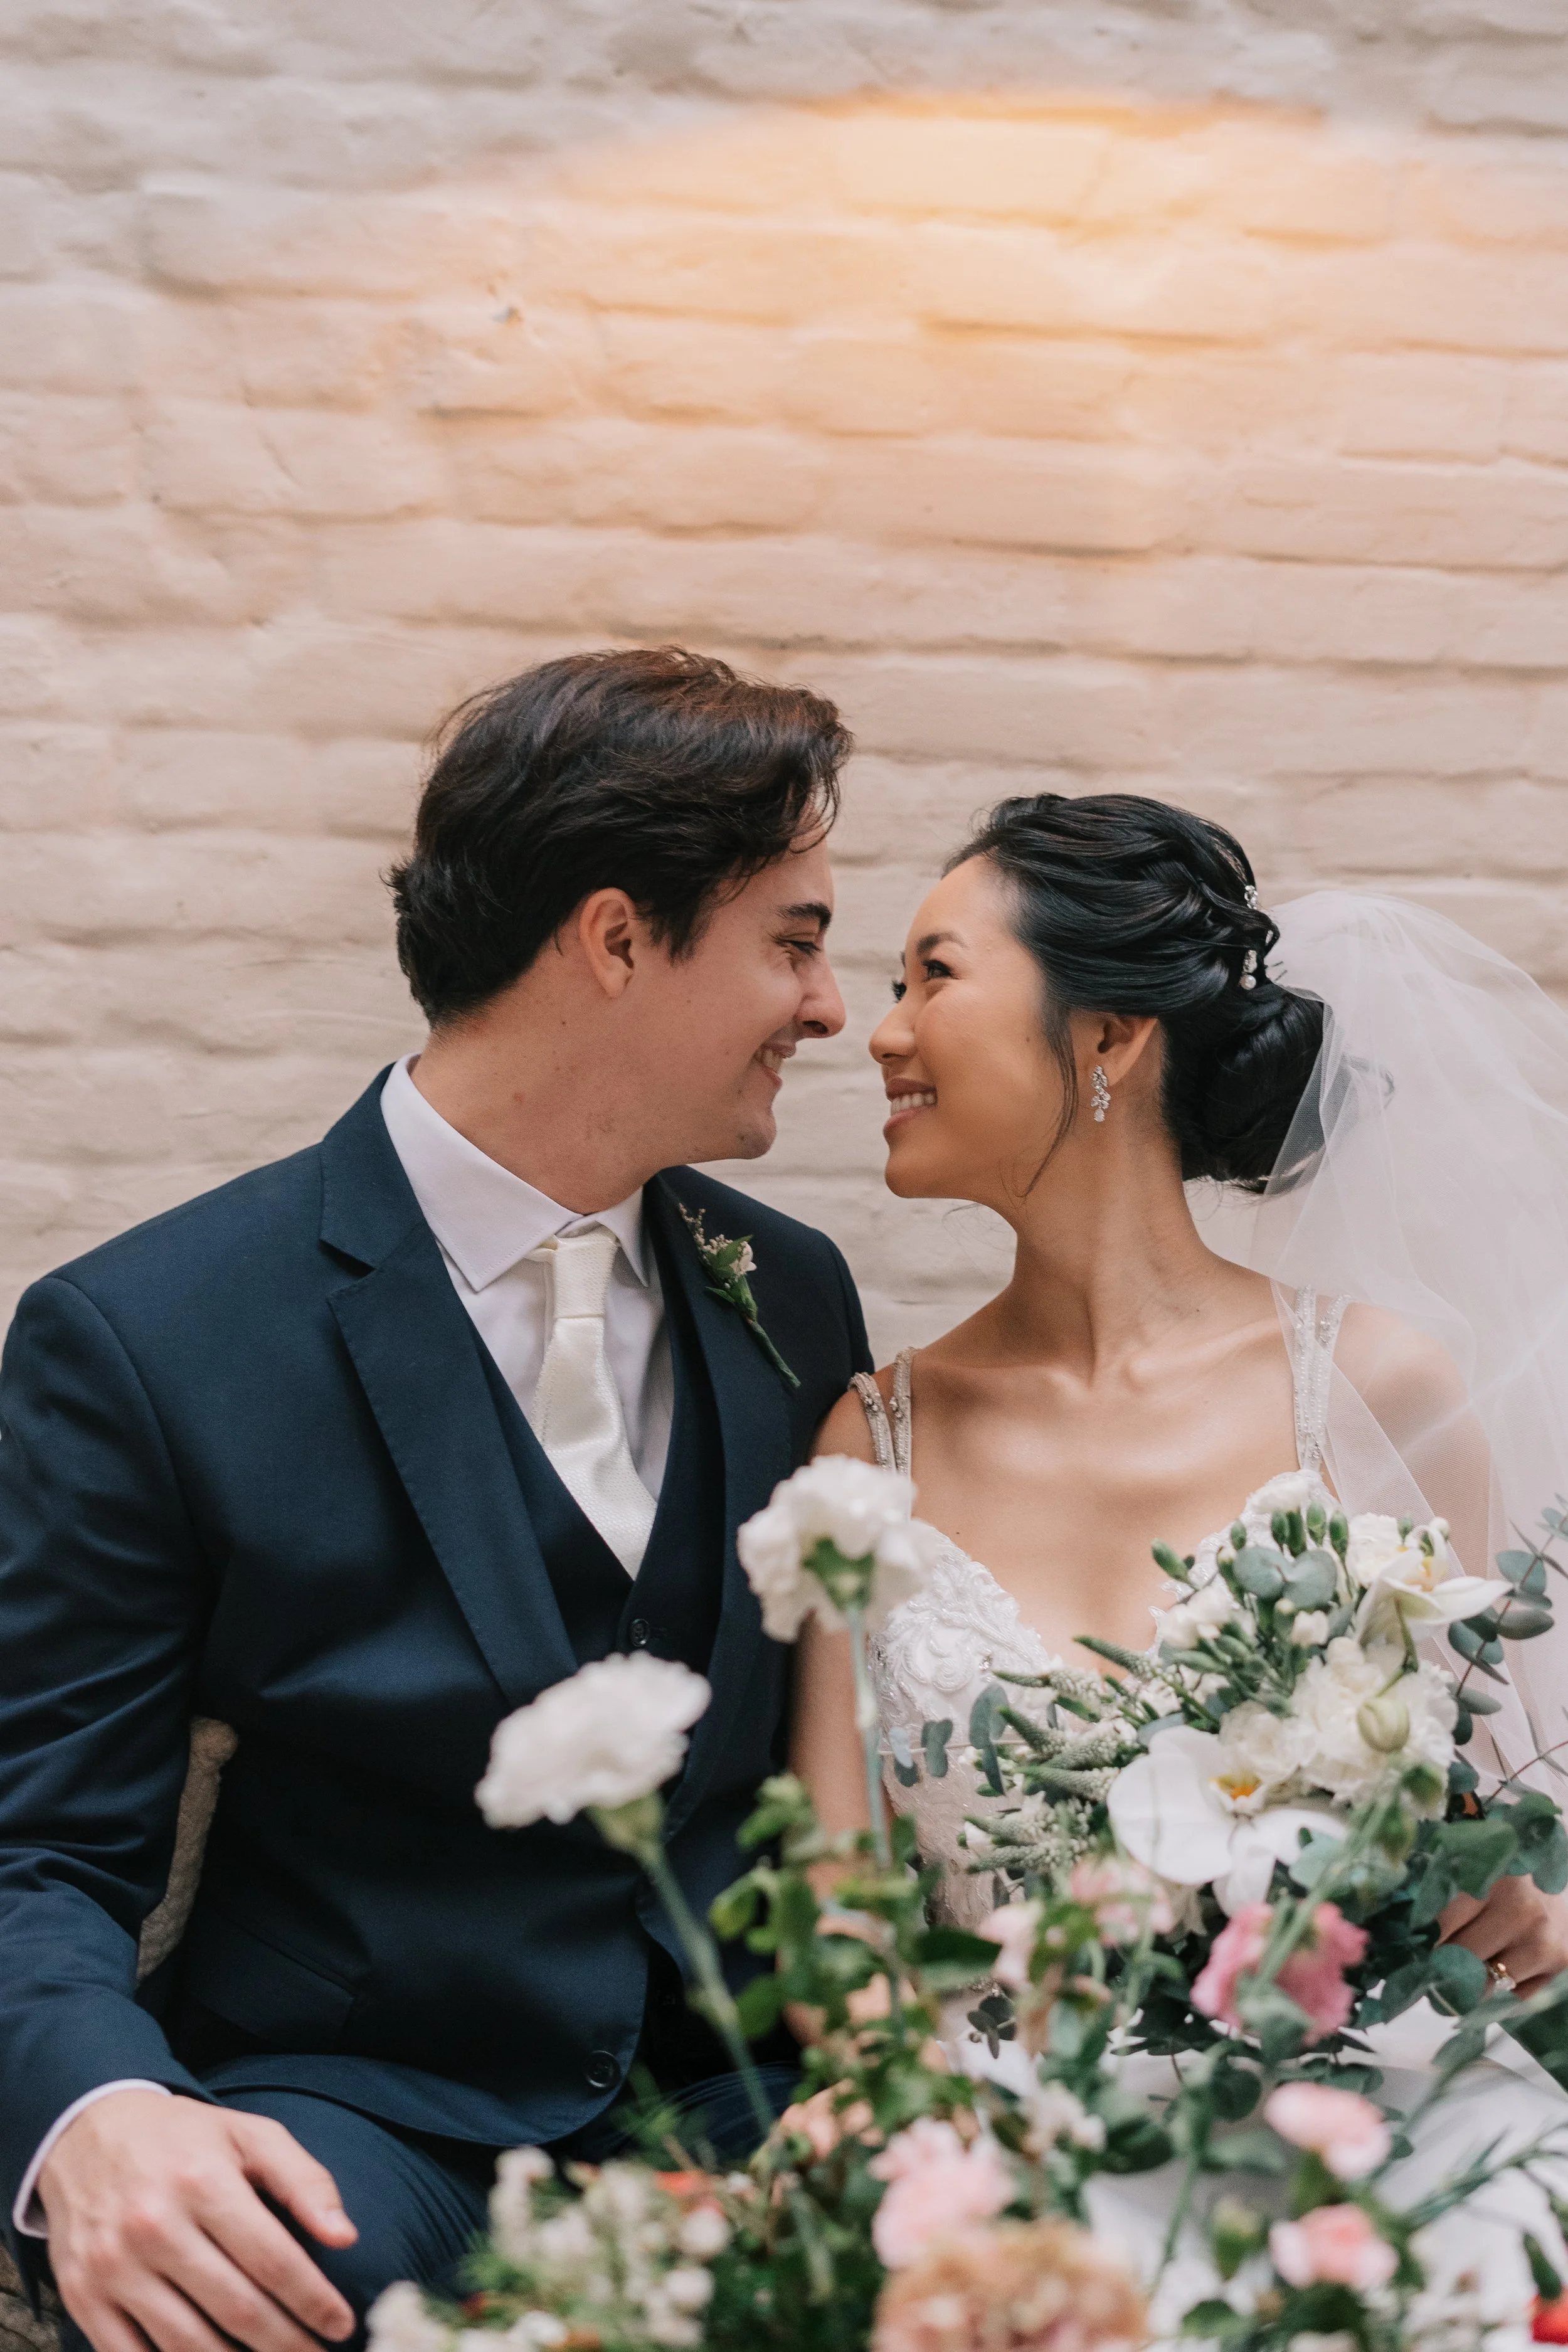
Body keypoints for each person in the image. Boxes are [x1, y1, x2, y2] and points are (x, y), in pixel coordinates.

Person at [0, 647, 872, 2351]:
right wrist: (93, 2107)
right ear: (617, 939)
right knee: (245, 2294)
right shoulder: (149, 1335)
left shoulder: (794, 1289)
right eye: (796, 936)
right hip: (369, 2113)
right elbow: (37, 1840)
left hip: (743, 2098)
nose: (830, 1005)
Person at [792, 792, 1568, 2248]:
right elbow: (843, 1928)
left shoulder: (1376, 1391)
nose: (880, 1029)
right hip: (993, 2175)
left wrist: (1515, 1912)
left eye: (934, 975)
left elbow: (1496, 1830)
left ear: (1105, 1036)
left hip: (1350, 2144)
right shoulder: (874, 1445)